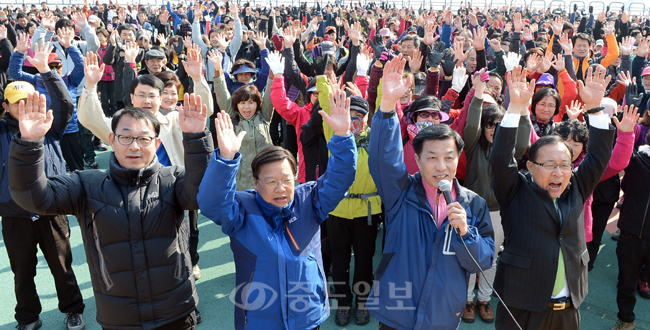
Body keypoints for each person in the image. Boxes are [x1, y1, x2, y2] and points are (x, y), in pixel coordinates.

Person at [9, 90, 212, 329]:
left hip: (176, 310)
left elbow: (202, 194)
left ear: (156, 143)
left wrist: (196, 137)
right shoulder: (86, 185)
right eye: (125, 137)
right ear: (112, 140)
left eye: (144, 138)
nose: (134, 146)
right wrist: (29, 144)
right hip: (119, 317)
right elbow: (33, 197)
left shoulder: (173, 178)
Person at [196, 88, 357, 330]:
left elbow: (340, 177)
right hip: (259, 319)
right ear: (256, 182)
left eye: (287, 179)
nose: (280, 188)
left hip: (307, 314)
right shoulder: (242, 209)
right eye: (271, 181)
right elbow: (211, 203)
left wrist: (343, 135)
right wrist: (227, 159)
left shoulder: (309, 200)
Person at [367, 55, 495, 330]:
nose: (441, 166)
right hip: (397, 312)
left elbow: (483, 259)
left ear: (458, 158)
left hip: (443, 314)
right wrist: (387, 106)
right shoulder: (401, 194)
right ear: (418, 159)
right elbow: (383, 160)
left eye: (449, 158)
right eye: (431, 157)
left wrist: (466, 232)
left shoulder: (473, 204)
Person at [490, 66, 616, 329]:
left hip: (568, 310)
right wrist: (514, 108)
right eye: (549, 164)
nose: (558, 172)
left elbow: (599, 157)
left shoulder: (577, 190)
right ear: (531, 166)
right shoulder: (515, 192)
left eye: (565, 164)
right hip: (521, 307)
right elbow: (501, 160)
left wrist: (594, 109)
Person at [1, 36, 86, 330]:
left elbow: (64, 102)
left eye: (28, 99)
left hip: (51, 207)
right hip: (13, 213)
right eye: (16, 102)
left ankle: (73, 310)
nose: (24, 105)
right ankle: (28, 318)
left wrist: (46, 72)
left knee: (62, 266)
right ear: (6, 106)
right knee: (22, 271)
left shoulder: (48, 127)